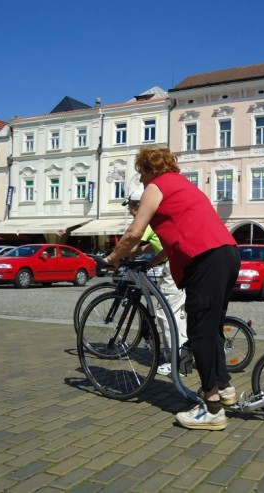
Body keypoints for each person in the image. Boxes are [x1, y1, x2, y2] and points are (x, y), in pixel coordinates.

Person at [104, 146, 240, 431]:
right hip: (226, 253)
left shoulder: (157, 186)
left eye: (141, 173)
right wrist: (152, 260)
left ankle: (212, 407)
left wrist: (113, 259)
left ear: (150, 169)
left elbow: (133, 232)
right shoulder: (183, 186)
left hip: (205, 258)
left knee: (199, 331)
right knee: (211, 326)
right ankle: (224, 388)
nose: (141, 181)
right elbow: (172, 239)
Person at [122, 188, 188, 376]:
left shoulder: (148, 221)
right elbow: (155, 245)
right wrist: (147, 257)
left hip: (173, 268)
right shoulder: (157, 219)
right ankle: (183, 356)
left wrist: (115, 258)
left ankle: (175, 361)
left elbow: (131, 241)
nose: (129, 211)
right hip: (176, 265)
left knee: (166, 313)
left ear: (137, 206)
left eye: (130, 207)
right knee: (176, 314)